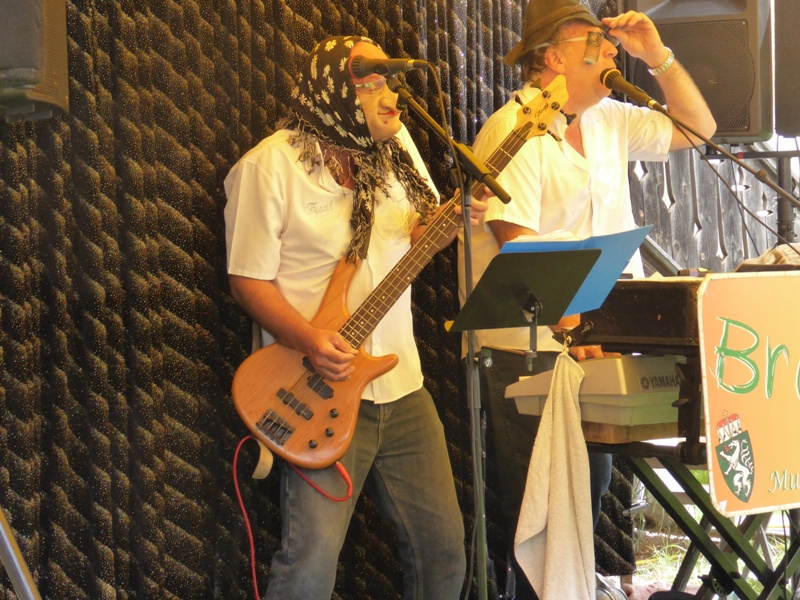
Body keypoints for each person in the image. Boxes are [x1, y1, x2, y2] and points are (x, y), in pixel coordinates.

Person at [457, 1, 716, 598]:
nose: (610, 51)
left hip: (591, 341)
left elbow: (699, 129)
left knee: (586, 496)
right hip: (530, 350)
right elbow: (519, 248)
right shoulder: (514, 129)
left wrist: (659, 56)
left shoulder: (609, 119)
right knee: (543, 511)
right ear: (552, 57)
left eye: (609, 42)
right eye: (594, 44)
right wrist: (581, 330)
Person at [224, 35, 488, 599]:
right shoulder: (269, 166)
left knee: (444, 553)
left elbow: (416, 234)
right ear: (333, 93)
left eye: (389, 83)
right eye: (370, 85)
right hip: (315, 389)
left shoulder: (396, 149)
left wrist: (449, 224)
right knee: (311, 565)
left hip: (403, 384)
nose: (390, 97)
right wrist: (310, 339)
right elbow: (247, 278)